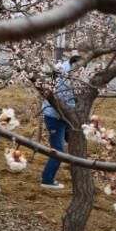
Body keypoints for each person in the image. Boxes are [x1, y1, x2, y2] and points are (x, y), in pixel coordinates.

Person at [40, 55, 79, 190]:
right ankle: (47, 180)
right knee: (58, 152)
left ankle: (76, 168)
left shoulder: (65, 69)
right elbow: (65, 99)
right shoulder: (64, 77)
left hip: (63, 117)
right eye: (81, 67)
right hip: (55, 118)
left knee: (76, 139)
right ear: (74, 64)